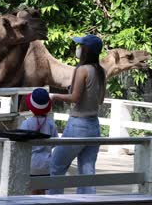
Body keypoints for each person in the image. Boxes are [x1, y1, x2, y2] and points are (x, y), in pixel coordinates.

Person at [48, 34, 106, 195]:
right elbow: (100, 100)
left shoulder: (82, 70)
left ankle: (53, 200)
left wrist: (54, 96)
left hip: (78, 124)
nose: (78, 49)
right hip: (94, 126)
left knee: (56, 165)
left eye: (81, 46)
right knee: (87, 173)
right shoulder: (101, 71)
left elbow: (74, 98)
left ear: (86, 50)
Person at [19, 88, 58, 195]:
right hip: (46, 164)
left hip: (31, 164)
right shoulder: (51, 124)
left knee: (33, 192)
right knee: (43, 193)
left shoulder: (26, 124)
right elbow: (54, 141)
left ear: (31, 107)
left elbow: (21, 142)